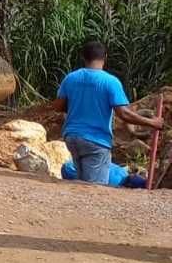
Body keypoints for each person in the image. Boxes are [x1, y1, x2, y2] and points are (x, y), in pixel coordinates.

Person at [53, 40, 163, 186]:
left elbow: (58, 106)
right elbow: (124, 114)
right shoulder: (110, 82)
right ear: (105, 58)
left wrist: (79, 107)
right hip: (95, 141)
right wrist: (152, 122)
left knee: (79, 185)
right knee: (94, 189)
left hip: (71, 137)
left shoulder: (71, 78)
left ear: (84, 58)